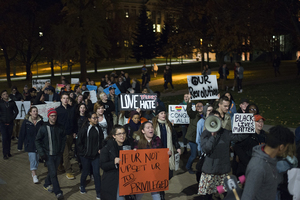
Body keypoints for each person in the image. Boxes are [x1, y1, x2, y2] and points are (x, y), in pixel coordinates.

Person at [198, 111, 247, 199]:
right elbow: (206, 149)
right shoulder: (206, 133)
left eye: (219, 118)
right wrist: (213, 136)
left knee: (225, 193)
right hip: (210, 172)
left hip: (222, 171)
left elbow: (238, 137)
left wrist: (248, 129)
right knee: (208, 196)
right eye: (215, 118)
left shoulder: (225, 133)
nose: (217, 121)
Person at [241, 125, 295, 200]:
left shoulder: (272, 160)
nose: (286, 150)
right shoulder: (258, 167)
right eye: (287, 147)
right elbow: (247, 197)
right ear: (281, 147)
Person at [35, 108, 66, 200]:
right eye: (52, 116)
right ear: (48, 116)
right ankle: (58, 192)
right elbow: (37, 141)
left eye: (55, 116)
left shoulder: (60, 127)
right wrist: (42, 153)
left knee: (53, 171)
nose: (54, 117)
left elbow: (64, 139)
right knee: (53, 173)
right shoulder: (43, 128)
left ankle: (46, 183)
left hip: (57, 154)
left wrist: (61, 151)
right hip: (48, 155)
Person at [100, 125, 132, 200]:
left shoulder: (128, 146)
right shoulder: (106, 148)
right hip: (113, 179)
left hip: (126, 178)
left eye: (123, 133)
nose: (122, 136)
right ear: (114, 136)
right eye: (119, 134)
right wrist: (113, 162)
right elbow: (103, 165)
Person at [133, 121, 163, 200]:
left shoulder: (157, 140)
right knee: (139, 193)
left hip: (154, 172)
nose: (151, 129)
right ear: (143, 131)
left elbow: (162, 153)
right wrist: (134, 153)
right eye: (148, 127)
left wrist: (168, 154)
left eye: (152, 127)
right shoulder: (138, 142)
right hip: (142, 173)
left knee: (156, 193)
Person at [77, 112, 103, 200]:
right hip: (85, 156)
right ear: (89, 119)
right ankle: (82, 185)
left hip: (96, 156)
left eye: (97, 118)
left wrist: (100, 149)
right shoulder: (84, 129)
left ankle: (99, 192)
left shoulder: (98, 129)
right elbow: (79, 143)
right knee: (85, 172)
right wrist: (84, 153)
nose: (96, 119)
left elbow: (102, 140)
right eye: (94, 118)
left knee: (96, 174)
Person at [152, 106, 181, 183]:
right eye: (161, 113)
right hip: (158, 151)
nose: (163, 115)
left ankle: (164, 183)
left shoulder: (169, 124)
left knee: (168, 173)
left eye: (164, 113)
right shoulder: (154, 125)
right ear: (158, 115)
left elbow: (174, 136)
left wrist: (177, 147)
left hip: (168, 151)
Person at [17, 106, 43, 183]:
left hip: (39, 144)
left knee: (37, 159)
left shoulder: (41, 122)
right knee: (33, 159)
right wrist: (20, 146)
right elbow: (22, 134)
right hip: (30, 144)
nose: (35, 112)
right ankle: (34, 175)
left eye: (36, 111)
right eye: (34, 111)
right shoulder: (26, 122)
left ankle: (33, 170)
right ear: (30, 113)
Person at [55, 93, 76, 180]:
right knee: (66, 153)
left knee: (64, 153)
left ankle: (60, 164)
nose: (65, 100)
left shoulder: (72, 109)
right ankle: (69, 171)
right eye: (64, 98)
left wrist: (75, 131)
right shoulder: (57, 110)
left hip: (70, 134)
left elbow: (74, 121)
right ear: (61, 99)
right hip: (62, 135)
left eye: (67, 98)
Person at [185, 94, 204, 174]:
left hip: (201, 138)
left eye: (201, 106)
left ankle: (201, 168)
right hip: (192, 138)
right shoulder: (193, 115)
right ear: (195, 108)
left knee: (200, 154)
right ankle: (188, 167)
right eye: (198, 106)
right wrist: (189, 101)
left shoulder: (205, 115)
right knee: (194, 155)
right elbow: (189, 110)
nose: (199, 107)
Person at [0, 90, 19, 159]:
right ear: (2, 96)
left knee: (9, 138)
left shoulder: (12, 102)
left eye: (6, 94)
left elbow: (16, 111)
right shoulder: (0, 103)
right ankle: (5, 154)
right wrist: (1, 119)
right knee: (4, 138)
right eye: (4, 94)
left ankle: (8, 152)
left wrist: (12, 118)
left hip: (10, 123)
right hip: (3, 124)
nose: (6, 95)